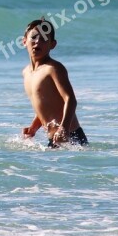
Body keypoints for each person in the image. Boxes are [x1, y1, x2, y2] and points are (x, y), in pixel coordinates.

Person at [21, 18, 88, 148]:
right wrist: (33, 128)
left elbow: (70, 100)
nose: (37, 42)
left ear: (52, 44)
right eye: (33, 37)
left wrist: (64, 128)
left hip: (71, 136)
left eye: (44, 39)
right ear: (24, 41)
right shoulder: (26, 73)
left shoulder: (53, 68)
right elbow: (46, 107)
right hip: (55, 138)